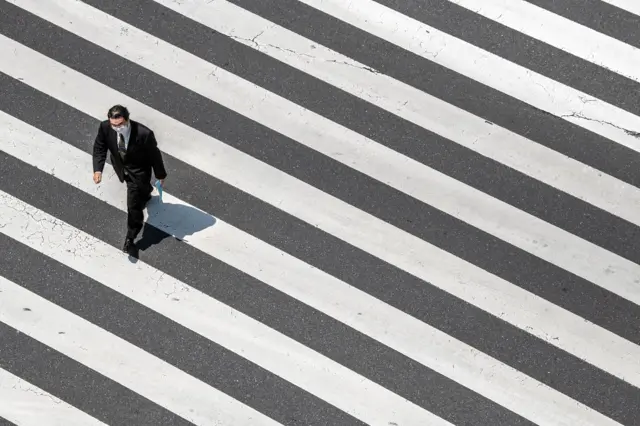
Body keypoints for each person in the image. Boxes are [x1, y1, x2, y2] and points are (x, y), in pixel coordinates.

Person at [92, 105, 167, 253]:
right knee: (142, 192)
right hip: (121, 168)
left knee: (133, 206)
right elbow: (100, 147)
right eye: (114, 125)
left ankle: (130, 237)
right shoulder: (105, 127)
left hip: (139, 172)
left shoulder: (144, 134)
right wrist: (97, 169)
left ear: (127, 120)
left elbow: (154, 155)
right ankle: (145, 194)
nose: (116, 128)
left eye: (120, 124)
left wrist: (160, 175)